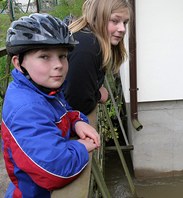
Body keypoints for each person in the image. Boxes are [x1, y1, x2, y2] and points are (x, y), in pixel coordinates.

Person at [1, 13, 100, 198]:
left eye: (62, 56)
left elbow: (62, 112)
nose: (58, 65)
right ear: (18, 63)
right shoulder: (26, 108)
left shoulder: (44, 89)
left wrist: (77, 121)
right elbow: (57, 169)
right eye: (45, 56)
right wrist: (81, 147)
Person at [64, 0, 132, 128]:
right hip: (74, 124)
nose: (122, 29)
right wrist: (99, 95)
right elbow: (78, 102)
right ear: (98, 17)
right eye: (115, 21)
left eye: (125, 22)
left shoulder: (89, 38)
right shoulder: (88, 49)